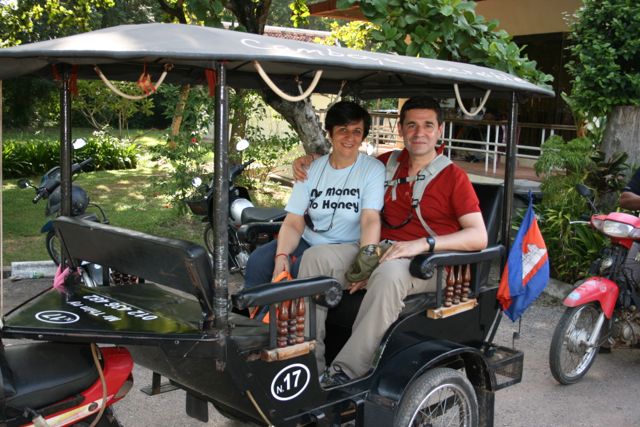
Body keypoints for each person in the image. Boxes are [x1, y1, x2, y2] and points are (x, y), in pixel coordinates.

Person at [293, 97, 488, 386]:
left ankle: (347, 372)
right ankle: (309, 363)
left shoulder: (453, 177)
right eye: (411, 125)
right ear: (400, 129)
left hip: (429, 264)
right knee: (316, 258)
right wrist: (308, 160)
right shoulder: (385, 163)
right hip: (381, 249)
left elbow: (478, 235)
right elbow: (341, 159)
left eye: (427, 126)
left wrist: (424, 244)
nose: (419, 133)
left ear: (440, 131)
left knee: (388, 274)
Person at [243, 101, 385, 293]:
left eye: (357, 131)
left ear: (363, 136)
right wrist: (281, 255)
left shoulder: (372, 170)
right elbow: (294, 221)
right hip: (308, 241)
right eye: (343, 129)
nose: (350, 137)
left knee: (300, 268)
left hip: (345, 246)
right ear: (330, 132)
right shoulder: (311, 169)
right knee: (258, 261)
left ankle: (278, 320)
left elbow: (370, 220)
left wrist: (366, 264)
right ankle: (254, 318)